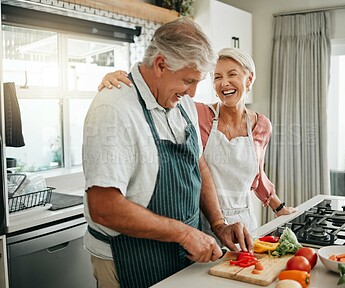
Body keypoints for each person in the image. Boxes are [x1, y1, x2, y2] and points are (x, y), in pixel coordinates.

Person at [82, 18, 253, 288]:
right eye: (188, 80)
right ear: (161, 65)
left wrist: (219, 224)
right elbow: (104, 207)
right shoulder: (114, 109)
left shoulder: (182, 101)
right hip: (130, 258)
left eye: (198, 82)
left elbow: (199, 165)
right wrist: (184, 233)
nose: (193, 92)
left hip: (180, 253)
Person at [99, 47, 296, 241]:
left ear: (249, 79)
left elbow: (257, 174)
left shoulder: (261, 125)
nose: (224, 83)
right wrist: (120, 80)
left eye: (232, 74)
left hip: (245, 225)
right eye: (217, 77)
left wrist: (279, 208)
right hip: (204, 225)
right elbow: (158, 96)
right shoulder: (198, 113)